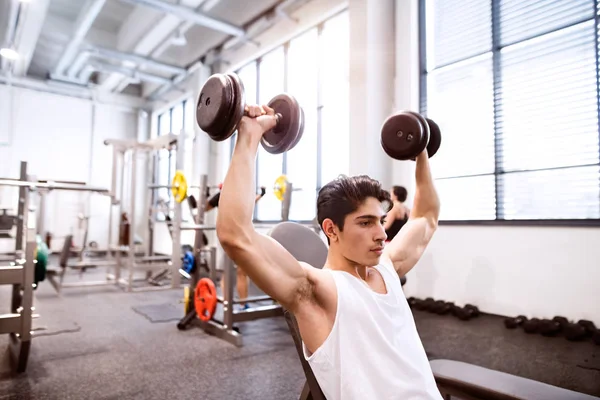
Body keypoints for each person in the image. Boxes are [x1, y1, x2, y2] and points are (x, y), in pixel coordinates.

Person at [216, 104, 442, 400]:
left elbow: (426, 217)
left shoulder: (387, 266)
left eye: (380, 221)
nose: (382, 234)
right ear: (331, 229)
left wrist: (420, 149)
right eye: (365, 223)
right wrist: (249, 135)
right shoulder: (317, 291)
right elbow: (235, 235)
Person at [205, 183, 266, 309]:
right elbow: (204, 208)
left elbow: (204, 208)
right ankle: (239, 304)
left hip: (235, 235)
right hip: (232, 236)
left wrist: (261, 194)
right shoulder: (233, 196)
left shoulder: (233, 196)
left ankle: (234, 304)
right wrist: (262, 194)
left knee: (237, 272)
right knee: (237, 272)